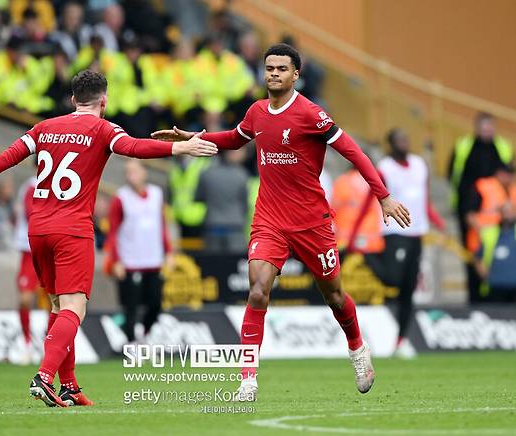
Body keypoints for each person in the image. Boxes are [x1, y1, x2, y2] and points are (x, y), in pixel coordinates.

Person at [0, 70, 217, 407]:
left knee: (59, 306)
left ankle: (68, 384)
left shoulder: (44, 128)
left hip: (38, 231)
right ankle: (44, 376)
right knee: (75, 307)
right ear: (104, 100)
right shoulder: (104, 129)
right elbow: (132, 148)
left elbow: (6, 158)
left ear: (73, 99)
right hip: (72, 230)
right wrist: (181, 147)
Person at [152, 43, 411, 400]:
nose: (273, 73)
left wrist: (383, 195)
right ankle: (247, 379)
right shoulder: (257, 112)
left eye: (281, 69)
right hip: (269, 219)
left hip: (311, 222)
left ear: (295, 75)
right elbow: (232, 139)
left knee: (334, 295)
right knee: (257, 290)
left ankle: (357, 348)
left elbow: (353, 151)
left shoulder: (311, 115)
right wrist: (191, 138)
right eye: (269, 68)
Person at [375, 128, 445, 359]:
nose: (404, 143)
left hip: (416, 232)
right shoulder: (385, 167)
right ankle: (367, 258)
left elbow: (423, 199)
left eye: (406, 139)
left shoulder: (419, 164)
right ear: (391, 144)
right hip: (394, 231)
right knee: (393, 278)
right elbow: (374, 198)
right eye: (399, 140)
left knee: (408, 289)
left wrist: (435, 219)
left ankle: (401, 339)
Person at [448, 112, 514, 301]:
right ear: (476, 128)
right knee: (473, 255)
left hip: (499, 217)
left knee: (500, 256)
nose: (487, 131)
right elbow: (453, 174)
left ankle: (498, 294)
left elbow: (509, 176)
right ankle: (475, 297)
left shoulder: (503, 147)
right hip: (470, 210)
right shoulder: (463, 146)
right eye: (483, 127)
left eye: (490, 127)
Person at [106, 160, 172, 343]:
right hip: (130, 261)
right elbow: (113, 232)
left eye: (134, 171)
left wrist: (169, 252)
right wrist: (116, 260)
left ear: (144, 172)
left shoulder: (156, 194)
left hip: (153, 259)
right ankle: (131, 343)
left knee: (155, 304)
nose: (131, 176)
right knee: (131, 306)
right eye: (128, 172)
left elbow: (162, 226)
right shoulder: (121, 198)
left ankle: (145, 334)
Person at [466, 163, 516, 301]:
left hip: (509, 234)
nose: (510, 177)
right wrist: (481, 232)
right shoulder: (484, 186)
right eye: (507, 173)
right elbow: (470, 214)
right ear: (499, 173)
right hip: (487, 237)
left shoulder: (513, 189)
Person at [195, 148, 249, 253]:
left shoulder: (206, 174)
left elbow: (199, 198)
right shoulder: (242, 175)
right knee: (235, 264)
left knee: (213, 263)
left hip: (212, 225)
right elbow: (244, 204)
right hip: (235, 227)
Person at [13, 173, 42, 365]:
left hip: (54, 248)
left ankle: (52, 344)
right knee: (25, 298)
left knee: (57, 299)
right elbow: (31, 214)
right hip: (30, 249)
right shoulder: (31, 187)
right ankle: (27, 344)